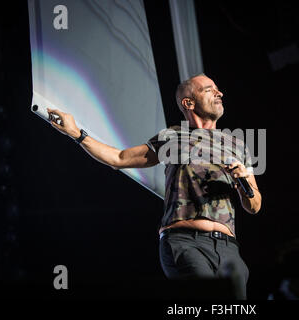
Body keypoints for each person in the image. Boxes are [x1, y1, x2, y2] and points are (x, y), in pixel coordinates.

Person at [47, 74, 262, 299]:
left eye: (218, 89)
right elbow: (119, 158)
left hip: (229, 249)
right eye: (210, 89)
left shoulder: (237, 146)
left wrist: (243, 180)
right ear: (188, 103)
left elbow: (254, 205)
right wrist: (77, 134)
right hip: (186, 243)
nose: (220, 93)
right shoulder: (173, 137)